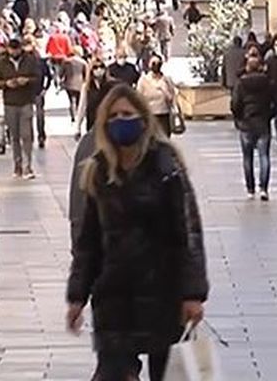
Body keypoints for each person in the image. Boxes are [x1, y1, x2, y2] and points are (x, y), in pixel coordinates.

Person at [66, 85, 208, 381]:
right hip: (114, 298)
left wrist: (192, 294)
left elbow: (188, 231)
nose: (121, 120)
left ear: (143, 119)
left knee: (169, 375)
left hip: (163, 294)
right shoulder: (98, 171)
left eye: (127, 114)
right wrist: (77, 296)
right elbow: (88, 242)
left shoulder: (166, 166)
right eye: (114, 115)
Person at [232, 57, 277, 200]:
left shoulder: (241, 84)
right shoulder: (269, 83)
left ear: (247, 67)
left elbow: (235, 104)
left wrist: (239, 117)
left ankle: (250, 189)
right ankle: (264, 189)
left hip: (246, 125)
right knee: (264, 156)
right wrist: (270, 115)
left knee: (247, 158)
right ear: (261, 67)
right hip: (263, 124)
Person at [0, 36, 42, 179]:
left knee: (26, 135)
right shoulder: (2, 63)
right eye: (11, 49)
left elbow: (38, 77)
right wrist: (6, 84)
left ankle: (28, 167)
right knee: (14, 136)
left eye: (16, 49)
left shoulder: (30, 60)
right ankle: (17, 166)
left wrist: (26, 80)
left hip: (26, 101)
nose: (14, 52)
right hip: (10, 102)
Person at [137, 54, 179, 138]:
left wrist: (165, 90)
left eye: (158, 63)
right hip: (149, 115)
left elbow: (172, 98)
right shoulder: (143, 80)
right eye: (153, 63)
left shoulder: (166, 80)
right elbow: (138, 98)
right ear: (149, 64)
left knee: (164, 140)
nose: (156, 65)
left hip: (164, 115)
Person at [76, 58, 111, 137]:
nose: (99, 70)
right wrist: (78, 126)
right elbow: (82, 106)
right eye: (95, 67)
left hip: (108, 123)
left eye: (101, 67)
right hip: (92, 122)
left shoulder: (110, 85)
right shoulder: (87, 87)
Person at [62, 47, 87, 123]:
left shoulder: (66, 61)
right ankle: (79, 115)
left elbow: (62, 72)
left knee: (72, 100)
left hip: (69, 83)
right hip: (80, 83)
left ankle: (73, 116)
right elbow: (86, 74)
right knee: (79, 101)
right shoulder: (83, 62)